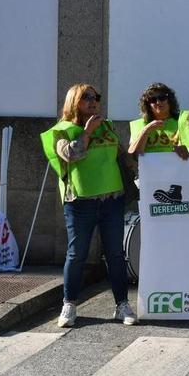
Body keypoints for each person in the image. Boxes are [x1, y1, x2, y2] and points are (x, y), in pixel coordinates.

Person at [39, 84, 136, 327]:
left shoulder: (107, 126)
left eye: (96, 97)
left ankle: (122, 305)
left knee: (116, 254)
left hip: (112, 199)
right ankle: (69, 304)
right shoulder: (61, 130)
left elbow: (123, 156)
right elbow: (71, 155)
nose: (93, 101)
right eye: (86, 97)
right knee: (77, 254)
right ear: (73, 102)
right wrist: (87, 132)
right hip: (80, 203)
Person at [128, 82, 188, 159]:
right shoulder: (140, 124)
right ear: (148, 105)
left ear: (169, 100)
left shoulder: (182, 121)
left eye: (162, 98)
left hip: (178, 165)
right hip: (150, 166)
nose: (158, 102)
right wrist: (146, 130)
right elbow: (135, 155)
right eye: (152, 100)